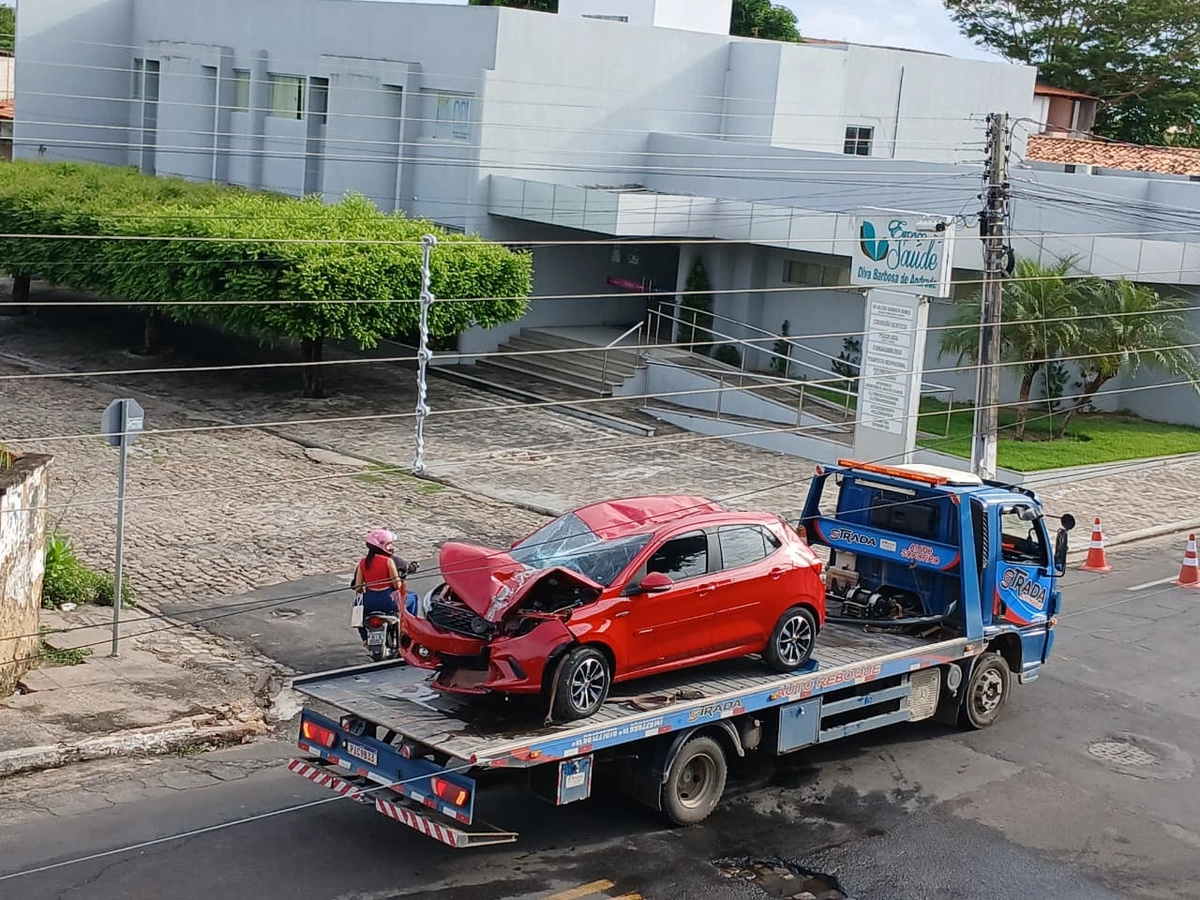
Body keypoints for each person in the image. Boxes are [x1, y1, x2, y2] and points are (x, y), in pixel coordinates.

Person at [352, 529, 405, 646]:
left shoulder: (363, 563)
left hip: (369, 602)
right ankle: (404, 634)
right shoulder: (388, 561)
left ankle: (365, 638)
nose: (391, 546)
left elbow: (358, 588)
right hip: (388, 601)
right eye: (389, 544)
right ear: (382, 546)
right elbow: (397, 585)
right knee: (413, 599)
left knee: (357, 608)